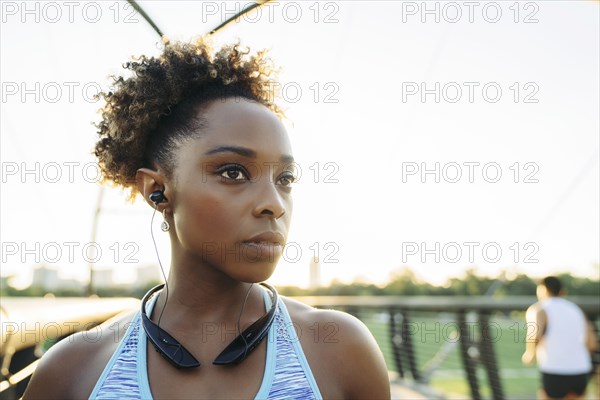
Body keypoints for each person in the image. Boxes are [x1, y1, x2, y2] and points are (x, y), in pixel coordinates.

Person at [22, 37, 391, 399]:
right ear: (157, 189)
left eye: (285, 179)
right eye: (233, 172)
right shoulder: (72, 370)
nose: (273, 203)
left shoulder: (341, 349)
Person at [522, 276, 598, 400]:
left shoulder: (539, 308)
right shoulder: (577, 310)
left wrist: (530, 354)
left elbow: (535, 335)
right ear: (562, 291)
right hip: (581, 372)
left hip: (555, 372)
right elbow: (592, 343)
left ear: (542, 289)